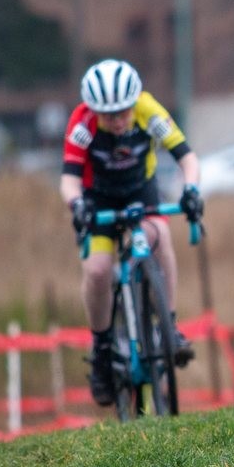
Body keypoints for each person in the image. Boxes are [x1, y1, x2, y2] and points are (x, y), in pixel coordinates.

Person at [60, 58, 203, 406]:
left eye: (123, 111)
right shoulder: (82, 124)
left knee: (160, 236)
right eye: (109, 115)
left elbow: (187, 158)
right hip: (99, 198)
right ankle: (102, 349)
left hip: (141, 190)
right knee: (97, 270)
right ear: (94, 111)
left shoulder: (148, 110)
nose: (119, 120)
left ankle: (168, 325)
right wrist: (77, 205)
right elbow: (69, 179)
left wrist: (191, 190)